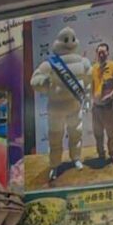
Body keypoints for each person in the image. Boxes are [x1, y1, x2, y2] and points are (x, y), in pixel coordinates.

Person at [30, 26, 91, 180]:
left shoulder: (83, 62)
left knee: (75, 133)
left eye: (71, 39)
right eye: (66, 39)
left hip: (74, 107)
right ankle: (55, 165)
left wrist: (88, 98)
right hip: (56, 109)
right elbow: (34, 80)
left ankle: (76, 158)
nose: (69, 42)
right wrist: (45, 82)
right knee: (55, 138)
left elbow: (88, 81)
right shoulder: (50, 63)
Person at [91, 42, 113, 167]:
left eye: (103, 52)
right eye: (99, 52)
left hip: (108, 108)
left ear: (108, 53)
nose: (101, 54)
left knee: (111, 134)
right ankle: (101, 154)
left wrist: (111, 94)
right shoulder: (93, 68)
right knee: (98, 134)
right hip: (96, 108)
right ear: (96, 53)